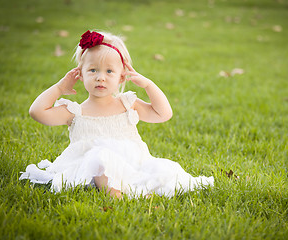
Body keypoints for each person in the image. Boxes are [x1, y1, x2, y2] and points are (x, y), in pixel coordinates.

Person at [19, 30, 214, 198]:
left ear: (122, 76)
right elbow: (37, 112)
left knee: (163, 171)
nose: (100, 77)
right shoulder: (76, 112)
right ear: (80, 74)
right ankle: (118, 196)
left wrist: (148, 85)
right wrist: (60, 87)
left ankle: (132, 189)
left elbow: (163, 114)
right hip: (94, 168)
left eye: (109, 71)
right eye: (93, 70)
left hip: (132, 164)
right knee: (100, 158)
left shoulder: (127, 104)